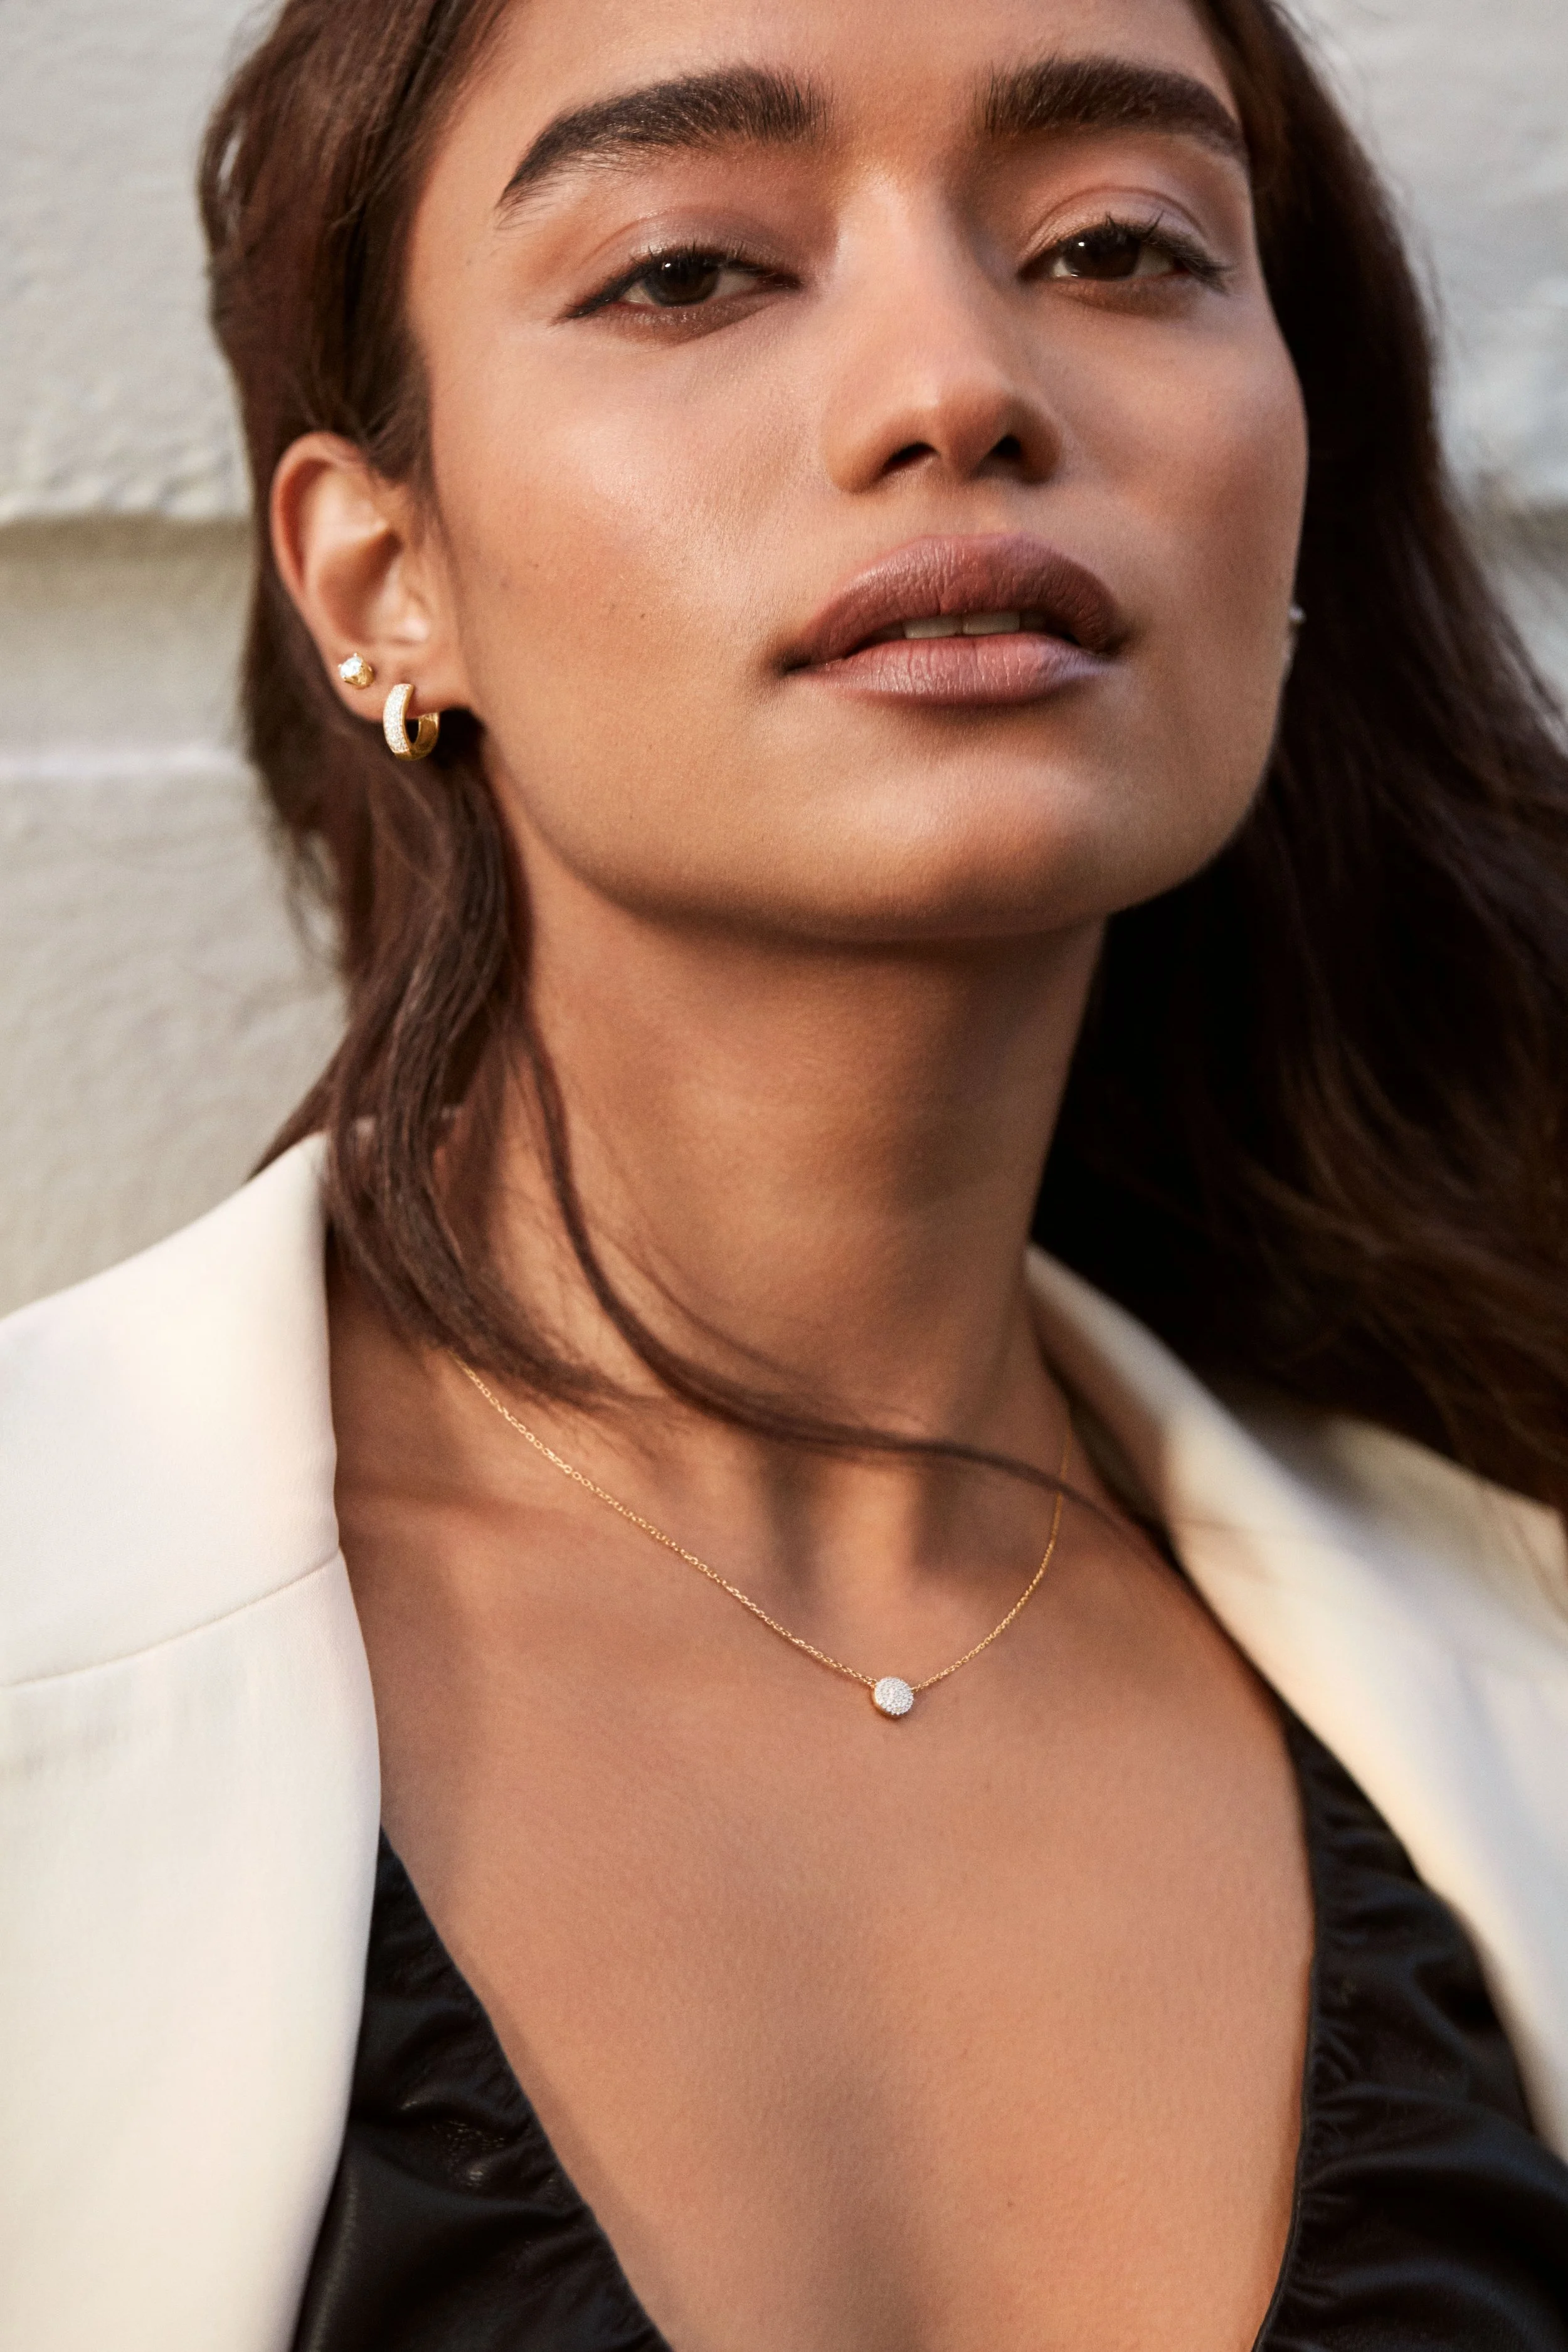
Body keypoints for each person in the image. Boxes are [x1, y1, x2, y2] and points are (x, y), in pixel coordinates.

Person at [4, 0, 1568, 2344]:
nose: (958, 384)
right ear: (375, 578)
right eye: (687, 273)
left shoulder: (1514, 1647)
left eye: (1121, 245)